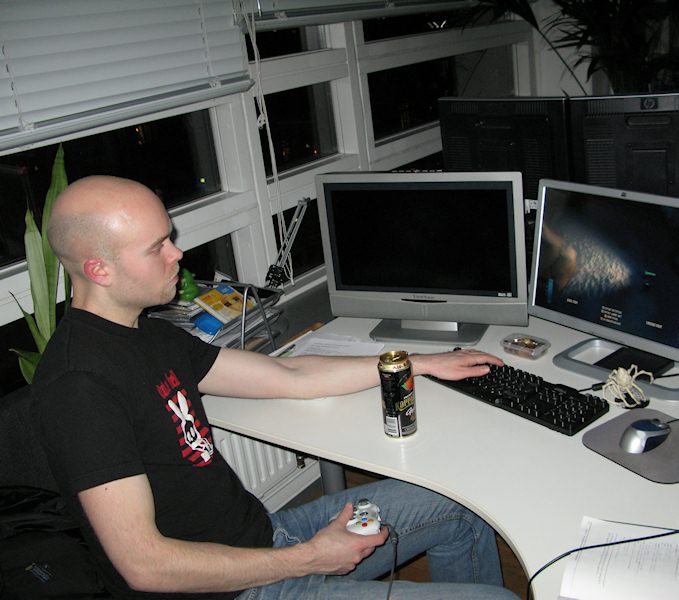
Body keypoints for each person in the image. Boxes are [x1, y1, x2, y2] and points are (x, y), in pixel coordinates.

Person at [32, 175, 519, 600]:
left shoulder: (149, 334)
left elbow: (291, 376)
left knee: (460, 507)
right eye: (156, 246)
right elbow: (144, 566)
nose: (177, 253)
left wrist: (419, 363)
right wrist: (310, 559)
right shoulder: (79, 387)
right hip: (234, 590)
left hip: (266, 540)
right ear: (99, 270)